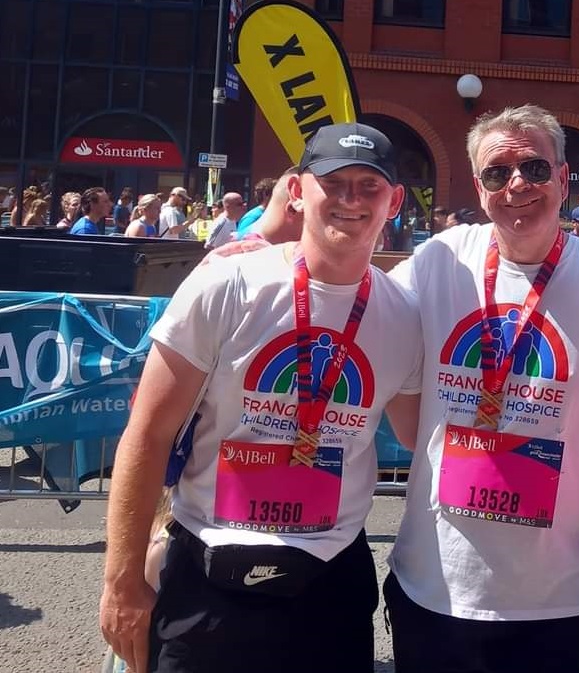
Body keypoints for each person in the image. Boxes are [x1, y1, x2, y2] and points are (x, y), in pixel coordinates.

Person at [98, 121, 423, 673]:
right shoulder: (229, 283)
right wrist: (123, 582)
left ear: (393, 202)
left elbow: (420, 434)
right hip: (210, 572)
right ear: (297, 191)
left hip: (330, 576)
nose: (351, 199)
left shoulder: (404, 315)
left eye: (369, 186)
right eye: (333, 182)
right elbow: (148, 434)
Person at [383, 104, 579, 673]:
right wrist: (275, 249)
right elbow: (355, 324)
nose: (517, 186)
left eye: (534, 168)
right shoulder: (439, 262)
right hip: (437, 581)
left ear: (562, 178)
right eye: (496, 173)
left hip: (554, 595)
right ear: (479, 188)